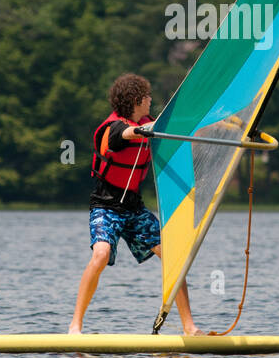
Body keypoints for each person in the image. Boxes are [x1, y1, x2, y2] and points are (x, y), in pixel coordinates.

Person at [68, 73, 200, 335]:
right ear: (137, 100)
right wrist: (142, 130)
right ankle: (75, 325)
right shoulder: (113, 127)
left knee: (174, 257)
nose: (151, 100)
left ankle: (190, 327)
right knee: (101, 254)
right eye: (148, 97)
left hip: (134, 208)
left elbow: (183, 127)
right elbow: (122, 135)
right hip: (105, 206)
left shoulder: (153, 123)